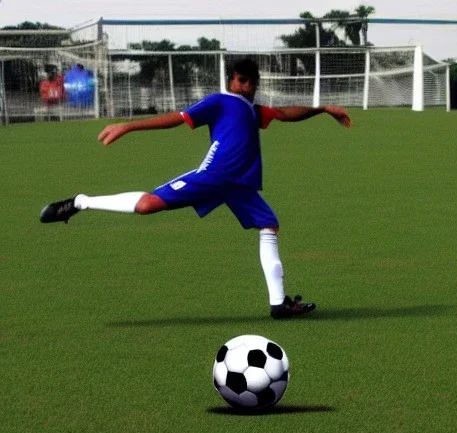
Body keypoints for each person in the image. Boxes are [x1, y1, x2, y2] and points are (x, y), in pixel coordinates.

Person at [40, 58, 352, 319]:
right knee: (148, 205)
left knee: (268, 225)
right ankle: (80, 202)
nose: (248, 86)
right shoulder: (221, 102)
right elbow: (177, 119)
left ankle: (279, 304)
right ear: (231, 80)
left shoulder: (253, 110)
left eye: (253, 81)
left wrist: (322, 108)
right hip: (213, 176)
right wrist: (128, 125)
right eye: (242, 80)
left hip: (241, 186)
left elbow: (285, 114)